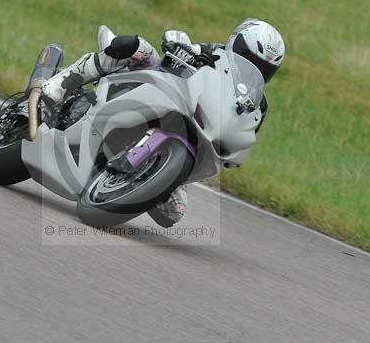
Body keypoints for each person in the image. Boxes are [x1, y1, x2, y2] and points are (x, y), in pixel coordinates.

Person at [42, 19, 285, 227]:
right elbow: (175, 39)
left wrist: (234, 153)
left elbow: (244, 133)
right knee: (134, 47)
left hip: (191, 135)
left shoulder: (258, 105)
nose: (257, 68)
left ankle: (142, 176)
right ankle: (64, 81)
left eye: (265, 68)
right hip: (157, 90)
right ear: (236, 44)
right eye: (248, 57)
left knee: (172, 213)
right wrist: (178, 45)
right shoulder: (213, 53)